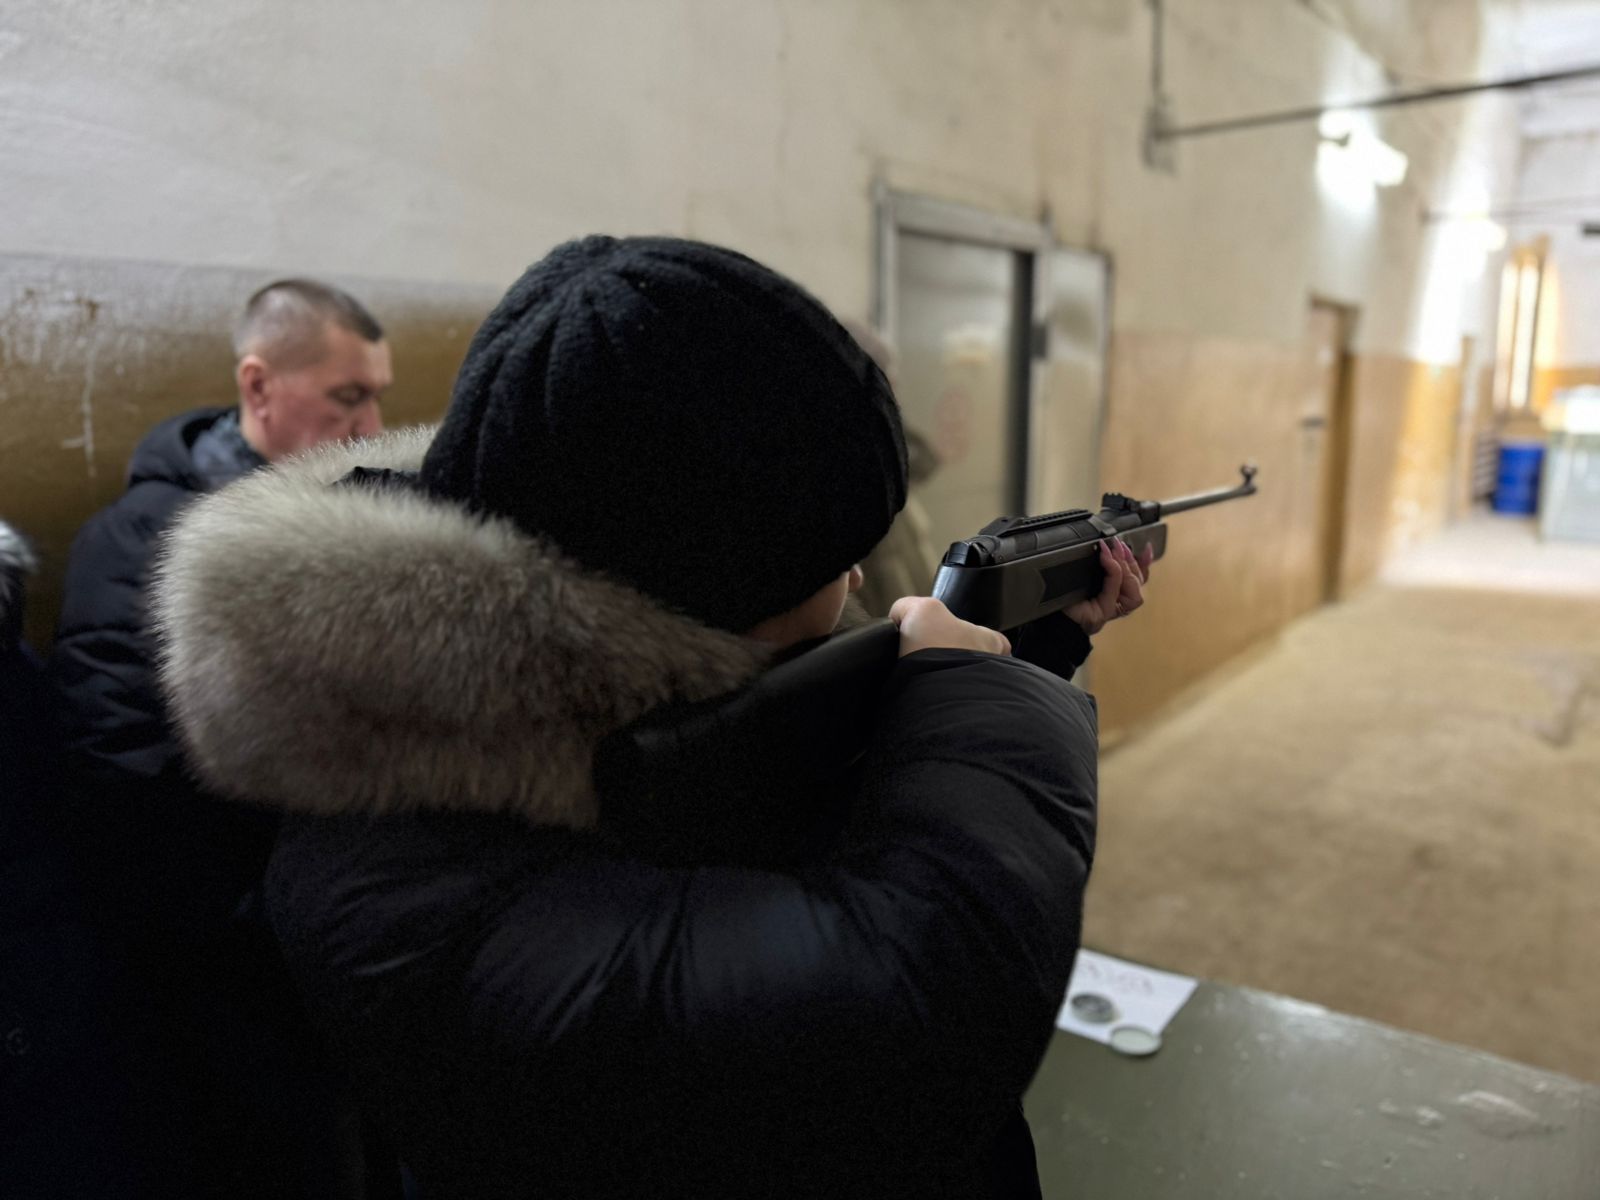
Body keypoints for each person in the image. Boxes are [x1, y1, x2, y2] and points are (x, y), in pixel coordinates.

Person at [152, 237, 1151, 1198]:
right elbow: (918, 1011)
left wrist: (1027, 645)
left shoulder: (613, 725)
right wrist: (972, 698)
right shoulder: (409, 894)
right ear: (703, 596)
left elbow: (798, 804)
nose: (855, 578)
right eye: (829, 556)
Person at [47, 279, 392, 1197]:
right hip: (236, 965)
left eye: (378, 396)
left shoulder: (357, 517)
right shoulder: (139, 548)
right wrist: (270, 916)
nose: (371, 425)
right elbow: (126, 780)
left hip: (340, 939)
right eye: (347, 397)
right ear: (258, 385)